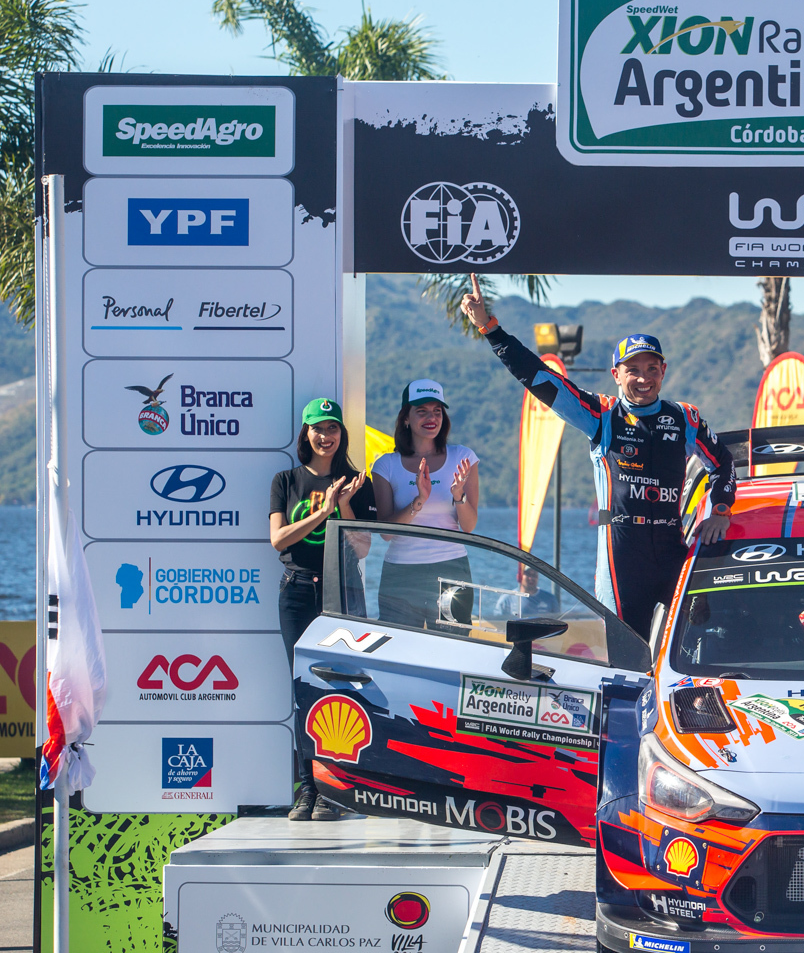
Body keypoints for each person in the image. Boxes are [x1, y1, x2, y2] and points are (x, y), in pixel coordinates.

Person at [458, 275, 736, 638]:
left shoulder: (685, 417)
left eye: (652, 369)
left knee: (698, 639)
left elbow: (723, 463)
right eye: (633, 370)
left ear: (663, 371)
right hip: (621, 554)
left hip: (671, 548)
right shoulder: (601, 415)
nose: (643, 378)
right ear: (616, 375)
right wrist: (490, 328)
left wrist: (720, 511)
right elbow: (538, 376)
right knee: (627, 652)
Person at [268, 398, 375, 821]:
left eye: (332, 428)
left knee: (341, 692)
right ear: (306, 433)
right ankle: (308, 788)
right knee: (303, 691)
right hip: (296, 592)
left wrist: (344, 505)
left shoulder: (358, 482)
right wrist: (324, 511)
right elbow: (279, 540)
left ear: (341, 434)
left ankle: (336, 791)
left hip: (341, 595)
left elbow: (362, 548)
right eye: (318, 428)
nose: (326, 436)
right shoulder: (286, 480)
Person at [370, 379, 480, 629]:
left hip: (452, 570)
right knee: (398, 646)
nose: (431, 418)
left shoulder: (463, 457)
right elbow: (386, 533)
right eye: (422, 411)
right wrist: (419, 500)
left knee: (452, 647)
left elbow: (469, 526)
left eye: (437, 411)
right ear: (405, 418)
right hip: (401, 574)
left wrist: (458, 495)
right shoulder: (385, 465)